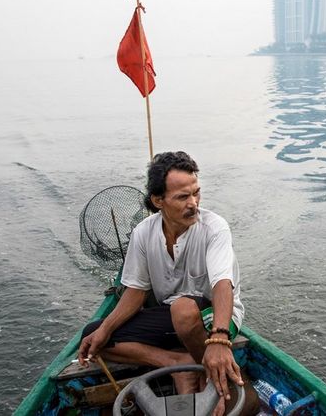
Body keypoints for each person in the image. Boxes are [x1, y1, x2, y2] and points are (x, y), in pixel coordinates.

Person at [78, 151, 246, 414]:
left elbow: (222, 284)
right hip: (173, 314)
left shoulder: (215, 228)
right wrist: (105, 329)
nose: (193, 203)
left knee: (182, 309)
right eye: (182, 197)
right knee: (95, 336)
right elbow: (135, 292)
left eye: (196, 193)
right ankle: (178, 363)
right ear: (158, 201)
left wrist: (220, 339)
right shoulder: (144, 232)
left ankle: (211, 377)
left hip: (215, 314)